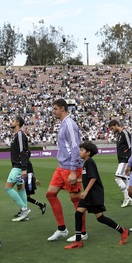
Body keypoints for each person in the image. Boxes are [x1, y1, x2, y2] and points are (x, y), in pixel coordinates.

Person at [65, 142, 130, 249]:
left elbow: (93, 178)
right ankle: (78, 241)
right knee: (78, 214)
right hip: (89, 194)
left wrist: (85, 192)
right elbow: (87, 178)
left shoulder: (89, 162)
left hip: (93, 194)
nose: (80, 152)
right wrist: (76, 181)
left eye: (82, 150)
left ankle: (123, 231)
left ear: (88, 153)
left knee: (100, 218)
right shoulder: (86, 163)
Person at [45, 99, 87, 242]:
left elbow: (75, 148)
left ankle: (82, 232)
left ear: (62, 108)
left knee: (76, 199)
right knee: (50, 194)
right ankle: (62, 229)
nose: (53, 111)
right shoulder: (63, 124)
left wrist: (73, 170)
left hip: (70, 167)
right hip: (62, 167)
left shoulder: (69, 124)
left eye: (55, 108)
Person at [6, 116, 32, 221]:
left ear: (17, 123)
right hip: (19, 166)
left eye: (13, 121)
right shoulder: (17, 135)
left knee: (8, 188)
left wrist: (23, 168)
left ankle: (24, 209)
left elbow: (23, 151)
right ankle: (25, 215)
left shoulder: (20, 134)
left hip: (18, 167)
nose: (11, 122)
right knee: (21, 188)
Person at [107, 119, 132, 207]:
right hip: (121, 159)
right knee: (125, 180)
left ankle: (127, 198)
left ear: (116, 125)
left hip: (126, 159)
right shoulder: (119, 134)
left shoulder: (124, 133)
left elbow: (130, 146)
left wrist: (130, 161)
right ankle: (131, 199)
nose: (112, 130)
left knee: (117, 177)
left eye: (112, 128)